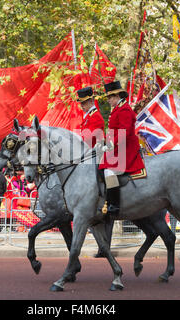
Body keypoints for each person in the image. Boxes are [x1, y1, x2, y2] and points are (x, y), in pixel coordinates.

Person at [76, 86, 113, 257]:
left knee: (101, 177)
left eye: (84, 103)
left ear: (91, 101)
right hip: (88, 154)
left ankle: (104, 199)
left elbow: (89, 138)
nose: (82, 106)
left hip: (96, 154)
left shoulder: (95, 116)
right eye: (81, 103)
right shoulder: (87, 116)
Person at [98, 80, 145, 216]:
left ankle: (114, 204)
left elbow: (125, 132)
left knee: (109, 172)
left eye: (110, 97)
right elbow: (114, 130)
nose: (108, 100)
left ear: (117, 96)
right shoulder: (118, 108)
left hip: (126, 147)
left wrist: (112, 145)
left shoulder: (124, 109)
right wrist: (104, 142)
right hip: (118, 145)